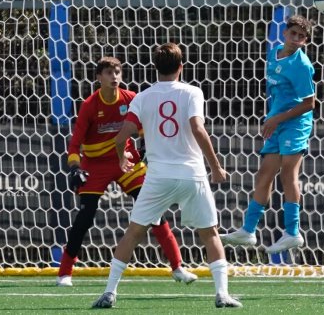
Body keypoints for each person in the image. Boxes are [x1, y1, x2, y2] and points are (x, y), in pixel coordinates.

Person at [92, 43, 242, 309]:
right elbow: (198, 128)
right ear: (181, 67)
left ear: (155, 67)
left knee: (133, 233)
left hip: (158, 177)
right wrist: (216, 166)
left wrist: (120, 157)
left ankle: (110, 292)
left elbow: (121, 136)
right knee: (210, 234)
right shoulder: (192, 92)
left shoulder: (142, 97)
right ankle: (222, 294)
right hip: (191, 173)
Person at [58, 56, 195, 287]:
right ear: (98, 77)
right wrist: (75, 168)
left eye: (118, 72)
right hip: (95, 165)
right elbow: (74, 145)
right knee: (84, 218)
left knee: (155, 212)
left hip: (127, 163)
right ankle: (64, 272)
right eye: (109, 73)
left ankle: (178, 267)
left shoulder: (131, 98)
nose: (115, 77)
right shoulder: (90, 105)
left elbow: (143, 128)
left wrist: (142, 148)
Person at [219, 15, 315, 254]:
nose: (296, 39)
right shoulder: (274, 54)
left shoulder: (302, 65)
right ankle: (248, 231)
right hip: (275, 122)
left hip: (295, 123)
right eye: (293, 34)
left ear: (306, 41)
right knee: (264, 175)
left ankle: (292, 233)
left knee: (288, 174)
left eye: (301, 37)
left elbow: (310, 103)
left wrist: (276, 118)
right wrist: (272, 118)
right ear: (284, 33)